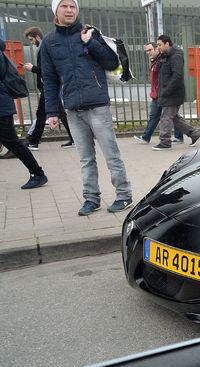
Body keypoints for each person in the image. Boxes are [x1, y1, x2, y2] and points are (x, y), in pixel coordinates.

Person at [40, 0, 132, 215]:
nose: (69, 10)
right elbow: (50, 79)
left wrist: (90, 42)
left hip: (98, 105)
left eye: (73, 6)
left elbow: (111, 62)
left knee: (111, 154)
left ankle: (124, 195)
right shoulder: (48, 43)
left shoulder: (89, 33)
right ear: (56, 11)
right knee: (85, 158)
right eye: (64, 6)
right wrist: (52, 112)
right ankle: (91, 199)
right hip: (72, 109)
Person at [0, 37, 48, 189]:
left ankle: (38, 173)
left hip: (2, 106)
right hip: (3, 104)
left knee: (12, 142)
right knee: (11, 141)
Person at [23, 26, 74, 150]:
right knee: (60, 113)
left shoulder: (44, 48)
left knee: (41, 114)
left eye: (31, 39)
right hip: (50, 85)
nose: (31, 42)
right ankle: (74, 138)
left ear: (37, 37)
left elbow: (48, 70)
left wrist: (33, 68)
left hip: (49, 86)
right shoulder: (43, 47)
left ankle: (33, 141)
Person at [152, 35, 200, 151]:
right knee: (174, 118)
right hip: (167, 92)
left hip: (173, 93)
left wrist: (166, 90)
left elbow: (177, 76)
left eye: (160, 45)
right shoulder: (165, 56)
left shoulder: (176, 56)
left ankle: (165, 142)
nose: (158, 47)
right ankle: (194, 134)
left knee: (166, 117)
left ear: (167, 44)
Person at [133, 42, 183, 145]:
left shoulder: (161, 61)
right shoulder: (155, 61)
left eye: (150, 50)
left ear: (156, 49)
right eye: (146, 50)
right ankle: (182, 136)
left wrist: (162, 92)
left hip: (161, 94)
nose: (148, 52)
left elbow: (166, 78)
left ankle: (147, 137)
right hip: (158, 94)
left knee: (158, 116)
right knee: (171, 116)